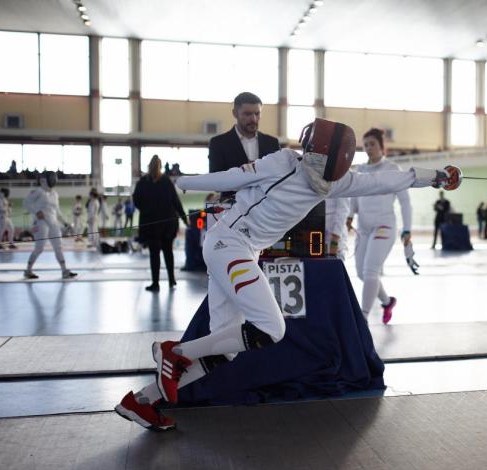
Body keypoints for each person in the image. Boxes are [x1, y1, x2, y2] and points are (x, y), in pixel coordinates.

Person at [114, 118, 460, 430]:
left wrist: (436, 178)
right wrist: (186, 182)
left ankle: (142, 401)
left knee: (226, 350)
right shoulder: (284, 162)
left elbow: (385, 181)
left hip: (239, 249)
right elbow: (236, 176)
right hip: (228, 245)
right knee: (271, 328)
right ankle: (176, 352)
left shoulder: (331, 181)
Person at [346, 128, 413, 323]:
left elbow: (405, 201)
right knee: (361, 273)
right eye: (365, 145)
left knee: (370, 271)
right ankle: (387, 301)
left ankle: (363, 318)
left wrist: (407, 229)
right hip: (364, 228)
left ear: (381, 146)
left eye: (372, 144)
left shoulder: (392, 168)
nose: (368, 148)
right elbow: (355, 195)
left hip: (385, 226)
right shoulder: (361, 170)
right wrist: (350, 216)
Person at [208, 91, 281, 202]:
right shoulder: (218, 143)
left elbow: (279, 177)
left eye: (257, 113)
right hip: (233, 208)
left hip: (267, 207)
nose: (253, 119)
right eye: (247, 114)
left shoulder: (272, 143)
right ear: (235, 113)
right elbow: (216, 181)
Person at [133, 155, 188, 292]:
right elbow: (176, 202)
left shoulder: (143, 182)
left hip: (151, 225)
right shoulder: (166, 181)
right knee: (168, 252)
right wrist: (184, 219)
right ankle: (171, 279)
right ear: (160, 166)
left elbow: (136, 201)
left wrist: (146, 210)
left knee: (154, 254)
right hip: (168, 224)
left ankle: (156, 283)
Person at [22, 171, 77, 280]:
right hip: (41, 223)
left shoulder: (55, 194)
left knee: (59, 247)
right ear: (44, 180)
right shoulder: (38, 191)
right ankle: (28, 270)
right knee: (39, 248)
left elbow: (57, 211)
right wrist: (36, 211)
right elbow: (25, 203)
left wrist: (65, 222)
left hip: (53, 223)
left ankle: (64, 270)